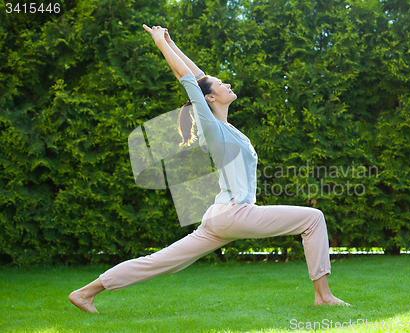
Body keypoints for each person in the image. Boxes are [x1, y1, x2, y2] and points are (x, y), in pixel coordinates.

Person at [68, 24, 350, 313]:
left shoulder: (224, 126)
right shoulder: (211, 126)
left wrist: (170, 42)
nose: (228, 85)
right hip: (236, 213)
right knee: (313, 218)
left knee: (161, 261)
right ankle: (323, 296)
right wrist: (159, 43)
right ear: (211, 99)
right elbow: (190, 80)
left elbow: (197, 77)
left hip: (221, 217)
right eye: (221, 84)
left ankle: (86, 293)